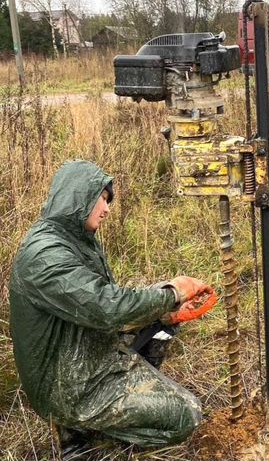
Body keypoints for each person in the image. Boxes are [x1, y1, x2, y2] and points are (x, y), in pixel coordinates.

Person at [9, 160, 207, 457]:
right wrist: (172, 293)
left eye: (107, 199)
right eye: (101, 198)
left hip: (86, 356)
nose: (107, 208)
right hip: (69, 387)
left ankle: (118, 402)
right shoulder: (46, 255)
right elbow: (108, 307)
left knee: (162, 325)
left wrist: (164, 309)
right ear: (77, 198)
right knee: (187, 415)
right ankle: (80, 429)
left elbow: (105, 300)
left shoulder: (76, 239)